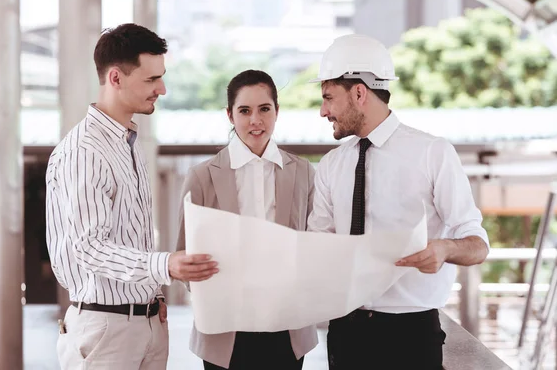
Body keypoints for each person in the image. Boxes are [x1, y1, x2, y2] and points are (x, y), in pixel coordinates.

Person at [307, 34, 489, 370]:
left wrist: (445, 249)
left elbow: (478, 245)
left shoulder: (433, 153)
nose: (323, 111)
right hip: (346, 331)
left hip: (412, 335)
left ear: (359, 92)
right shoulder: (331, 165)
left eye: (329, 98)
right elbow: (319, 243)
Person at [45, 23, 219, 370]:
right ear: (116, 78)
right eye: (151, 79)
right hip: (106, 332)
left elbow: (128, 239)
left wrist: (152, 296)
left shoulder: (128, 145)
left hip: (147, 325)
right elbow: (88, 246)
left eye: (161, 77)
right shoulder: (84, 151)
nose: (163, 89)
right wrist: (165, 265)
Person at [176, 69, 318, 370]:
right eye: (245, 111)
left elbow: (316, 245)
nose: (256, 120)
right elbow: (184, 258)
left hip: (287, 327)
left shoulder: (304, 172)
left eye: (264, 109)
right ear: (230, 115)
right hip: (225, 330)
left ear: (277, 111)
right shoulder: (202, 177)